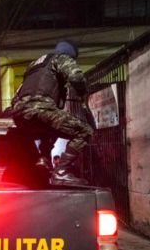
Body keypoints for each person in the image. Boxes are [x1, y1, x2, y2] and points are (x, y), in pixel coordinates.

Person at [11, 39, 94, 186]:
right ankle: (61, 172)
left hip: (19, 113)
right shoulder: (62, 58)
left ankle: (42, 160)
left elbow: (17, 95)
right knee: (84, 130)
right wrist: (82, 92)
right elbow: (76, 77)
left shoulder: (33, 65)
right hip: (41, 108)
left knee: (49, 130)